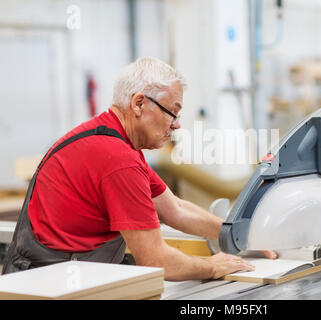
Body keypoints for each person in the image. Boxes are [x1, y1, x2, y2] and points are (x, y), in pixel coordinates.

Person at [2, 57, 276, 280]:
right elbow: (157, 261)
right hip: (47, 285)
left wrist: (238, 233)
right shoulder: (117, 159)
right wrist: (213, 265)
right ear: (139, 103)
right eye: (173, 112)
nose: (177, 124)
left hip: (65, 275)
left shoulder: (112, 140)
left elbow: (175, 209)